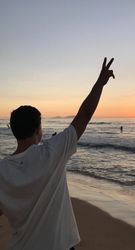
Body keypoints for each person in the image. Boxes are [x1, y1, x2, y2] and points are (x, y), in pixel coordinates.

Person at [0, 57, 115, 250]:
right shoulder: (52, 152)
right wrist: (100, 83)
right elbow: (84, 115)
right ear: (38, 130)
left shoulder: (2, 171)